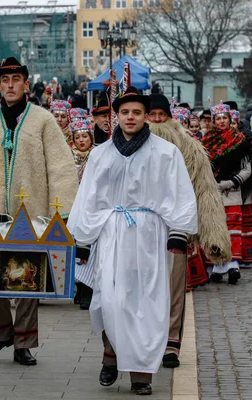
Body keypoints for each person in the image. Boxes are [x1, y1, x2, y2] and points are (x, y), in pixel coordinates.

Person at [68, 86, 197, 396]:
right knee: (109, 301)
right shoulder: (100, 154)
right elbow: (89, 198)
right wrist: (83, 239)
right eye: (125, 112)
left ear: (145, 116)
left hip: (150, 237)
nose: (130, 117)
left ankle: (141, 373)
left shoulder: (165, 153)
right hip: (112, 235)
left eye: (137, 112)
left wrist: (179, 233)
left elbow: (178, 193)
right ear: (117, 115)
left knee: (147, 305)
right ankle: (111, 352)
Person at [0, 56, 78, 367]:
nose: (10, 85)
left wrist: (64, 212)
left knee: (29, 278)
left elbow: (60, 166)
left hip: (33, 211)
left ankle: (24, 343)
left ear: (25, 84)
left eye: (16, 79)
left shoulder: (43, 120)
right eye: (5, 80)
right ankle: (1, 335)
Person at [147, 95, 232, 369]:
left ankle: (172, 343)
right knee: (144, 290)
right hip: (140, 231)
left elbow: (206, 191)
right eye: (153, 115)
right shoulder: (131, 146)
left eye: (162, 115)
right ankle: (146, 339)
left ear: (170, 117)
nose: (158, 120)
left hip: (177, 229)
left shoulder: (190, 148)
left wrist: (214, 236)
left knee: (174, 289)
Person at [202, 102, 252, 283]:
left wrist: (229, 183)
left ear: (229, 119)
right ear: (213, 121)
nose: (221, 122)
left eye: (224, 118)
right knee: (217, 231)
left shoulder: (240, 141)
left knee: (233, 231)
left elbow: (247, 169)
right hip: (213, 194)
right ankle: (218, 266)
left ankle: (233, 265)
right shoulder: (207, 141)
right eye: (217, 119)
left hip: (233, 192)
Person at [69, 119, 95, 310]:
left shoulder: (97, 155)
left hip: (92, 207)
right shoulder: (68, 156)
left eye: (85, 136)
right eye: (77, 137)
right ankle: (77, 288)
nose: (81, 140)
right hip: (72, 206)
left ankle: (88, 290)